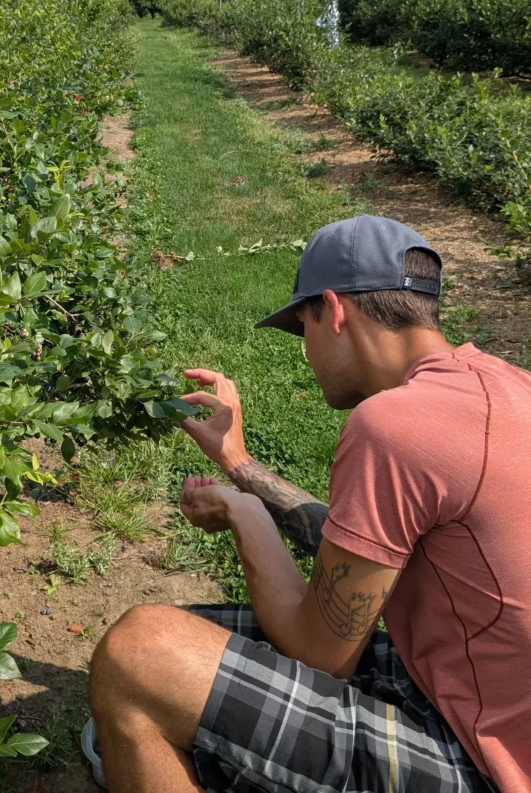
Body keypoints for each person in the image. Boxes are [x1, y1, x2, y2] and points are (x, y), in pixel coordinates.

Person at [87, 215, 531, 793]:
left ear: (334, 310)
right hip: (477, 698)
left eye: (304, 328)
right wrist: (239, 466)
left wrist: (244, 517)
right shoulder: (505, 385)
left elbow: (322, 654)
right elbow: (356, 547)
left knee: (137, 656)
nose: (307, 354)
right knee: (190, 638)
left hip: (489, 763)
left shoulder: (394, 425)